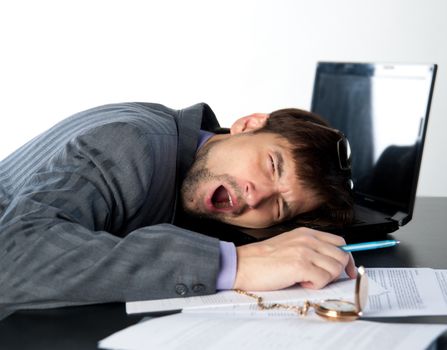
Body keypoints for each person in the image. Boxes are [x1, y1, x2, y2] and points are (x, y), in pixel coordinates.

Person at [0, 102, 356, 318]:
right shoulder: (132, 144)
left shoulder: (189, 156)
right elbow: (11, 259)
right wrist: (238, 264)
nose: (256, 196)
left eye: (279, 206)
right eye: (271, 165)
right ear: (247, 125)